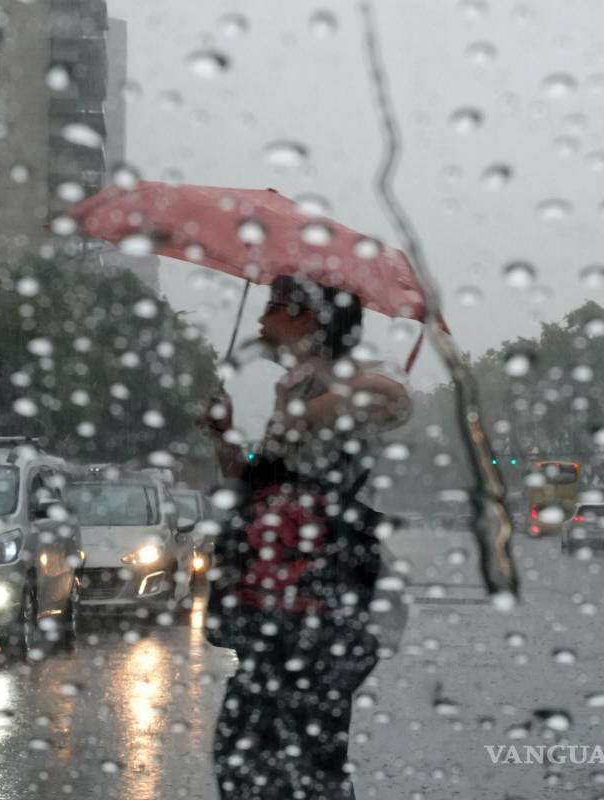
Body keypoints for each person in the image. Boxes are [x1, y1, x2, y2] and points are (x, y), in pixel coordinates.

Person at [202, 275, 412, 800]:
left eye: (272, 305)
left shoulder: (342, 374)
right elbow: (258, 483)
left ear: (306, 316)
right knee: (251, 753)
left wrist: (307, 414)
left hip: (319, 605)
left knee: (298, 760)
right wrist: (223, 436)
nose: (259, 319)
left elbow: (393, 398)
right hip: (275, 601)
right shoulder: (294, 383)